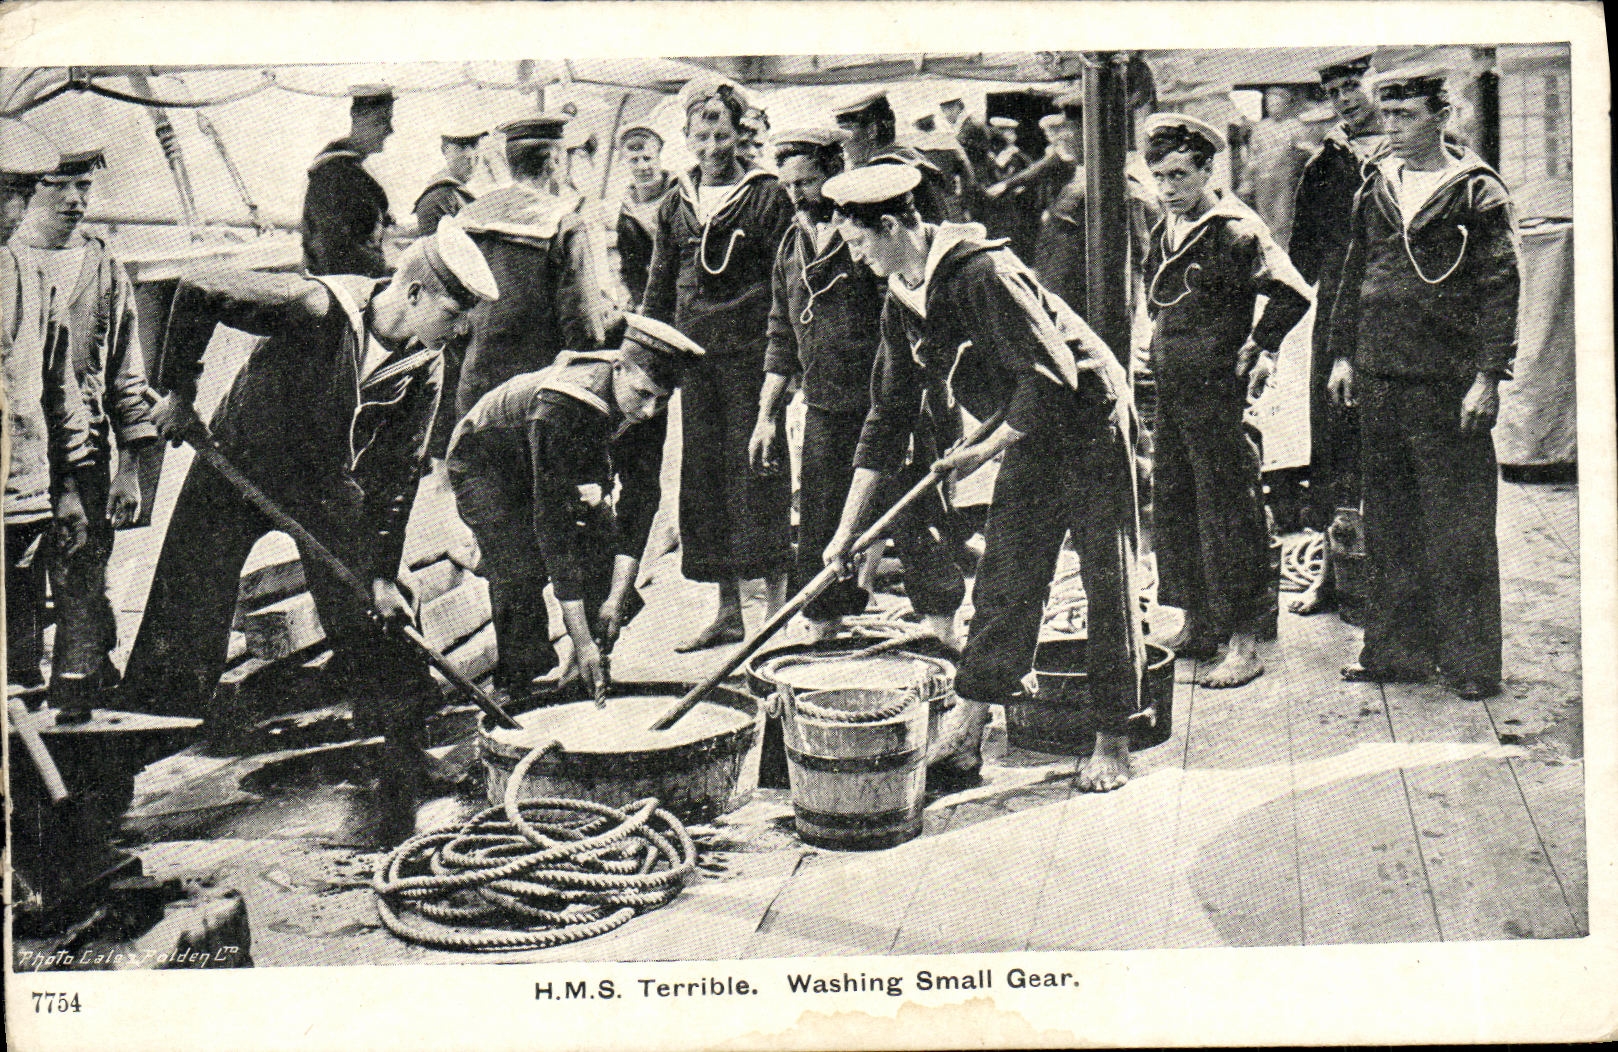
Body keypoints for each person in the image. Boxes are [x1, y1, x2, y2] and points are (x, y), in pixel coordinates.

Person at [121, 227, 498, 809]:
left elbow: (396, 477)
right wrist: (179, 392)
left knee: (378, 614)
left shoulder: (427, 363)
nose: (462, 329)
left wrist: (378, 574)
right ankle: (116, 774)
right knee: (183, 617)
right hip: (236, 463)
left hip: (322, 486)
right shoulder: (317, 306)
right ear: (416, 293)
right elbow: (197, 288)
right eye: (454, 312)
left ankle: (403, 755)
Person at [822, 164, 1143, 793]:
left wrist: (981, 452)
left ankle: (1114, 738)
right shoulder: (902, 295)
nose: (856, 260)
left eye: (860, 244)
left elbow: (1054, 373)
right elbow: (886, 418)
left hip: (1086, 417)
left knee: (1108, 571)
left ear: (891, 226)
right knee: (1006, 574)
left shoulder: (983, 272)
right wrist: (845, 532)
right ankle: (967, 734)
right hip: (1024, 423)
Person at [1327, 72, 1519, 701]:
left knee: (1458, 522)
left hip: (1447, 383)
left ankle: (1470, 662)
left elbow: (1500, 284)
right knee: (1391, 518)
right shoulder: (1376, 186)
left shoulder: (1477, 191)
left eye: (1406, 115)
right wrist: (1344, 356)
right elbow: (1354, 271)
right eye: (1389, 116)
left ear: (1441, 116)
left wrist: (1488, 376)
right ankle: (1395, 650)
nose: (1393, 128)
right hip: (1380, 375)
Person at [750, 128, 965, 645]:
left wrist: (927, 410)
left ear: (835, 176)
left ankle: (940, 629)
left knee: (915, 517)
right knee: (822, 522)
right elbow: (781, 330)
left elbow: (910, 320)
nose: (798, 195)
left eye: (808, 182)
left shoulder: (867, 238)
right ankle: (824, 629)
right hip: (825, 407)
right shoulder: (790, 244)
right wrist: (766, 414)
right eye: (788, 186)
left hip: (890, 403)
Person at [446, 316, 701, 700]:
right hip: (488, 464)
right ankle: (520, 687)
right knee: (519, 568)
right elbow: (553, 523)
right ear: (618, 368)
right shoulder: (566, 404)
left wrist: (616, 598)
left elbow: (641, 498)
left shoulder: (648, 403)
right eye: (644, 394)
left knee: (600, 543)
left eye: (661, 400)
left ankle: (587, 665)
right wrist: (580, 640)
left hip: (555, 462)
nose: (650, 410)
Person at [1141, 114, 1311, 688]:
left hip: (1216, 394)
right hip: (1171, 392)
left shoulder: (1234, 229)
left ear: (1208, 169)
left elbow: (1291, 294)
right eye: (1159, 176)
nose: (1168, 188)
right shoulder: (1168, 226)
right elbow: (1158, 295)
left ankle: (1245, 639)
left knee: (1229, 511)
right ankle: (1198, 622)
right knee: (1174, 502)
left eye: (1179, 175)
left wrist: (1260, 347)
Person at [7, 149, 163, 718]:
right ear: (26, 192)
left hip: (87, 456)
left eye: (85, 188)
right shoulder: (10, 264)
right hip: (17, 459)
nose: (76, 200)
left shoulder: (103, 268)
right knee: (14, 597)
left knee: (81, 580)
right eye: (60, 186)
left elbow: (127, 374)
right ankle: (22, 710)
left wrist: (129, 470)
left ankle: (80, 707)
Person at [642, 80, 794, 652]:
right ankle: (729, 610)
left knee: (760, 473)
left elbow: (786, 284)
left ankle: (775, 613)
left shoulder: (768, 197)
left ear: (740, 135)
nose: (712, 145)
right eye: (701, 135)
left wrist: (787, 366)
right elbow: (659, 287)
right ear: (686, 138)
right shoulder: (675, 202)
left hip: (753, 363)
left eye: (722, 134)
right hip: (695, 366)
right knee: (703, 482)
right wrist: (650, 353)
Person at [1288, 54, 1389, 617]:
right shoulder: (1325, 164)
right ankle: (1330, 574)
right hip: (1335, 320)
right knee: (1332, 441)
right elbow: (1301, 255)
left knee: (1387, 445)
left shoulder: (1408, 154)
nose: (1346, 99)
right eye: (1335, 91)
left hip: (1393, 316)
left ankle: (1390, 583)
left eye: (1354, 85)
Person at [2, 142, 94, 705]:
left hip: (21, 504)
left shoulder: (30, 276)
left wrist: (68, 488)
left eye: (18, 194)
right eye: (4, 194)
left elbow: (57, 391)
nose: (12, 210)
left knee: (20, 665)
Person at [452, 115, 606, 418]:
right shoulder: (564, 222)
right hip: (536, 393)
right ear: (555, 161)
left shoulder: (469, 216)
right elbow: (583, 327)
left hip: (474, 384)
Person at [302, 85, 395, 277]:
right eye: (381, 121)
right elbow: (333, 251)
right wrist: (382, 271)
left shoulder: (353, 170)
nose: (390, 130)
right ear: (358, 120)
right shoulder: (334, 174)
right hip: (345, 289)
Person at [834, 91, 960, 223]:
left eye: (846, 130)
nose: (842, 140)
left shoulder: (881, 170)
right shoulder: (909, 155)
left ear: (872, 130)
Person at [614, 123, 671, 307]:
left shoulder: (679, 192)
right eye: (634, 160)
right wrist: (640, 302)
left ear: (659, 157)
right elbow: (631, 267)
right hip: (651, 294)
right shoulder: (627, 210)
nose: (642, 167)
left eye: (647, 158)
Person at [412, 123, 484, 236]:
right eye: (461, 148)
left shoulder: (455, 193)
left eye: (475, 146)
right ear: (444, 150)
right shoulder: (441, 196)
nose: (470, 156)